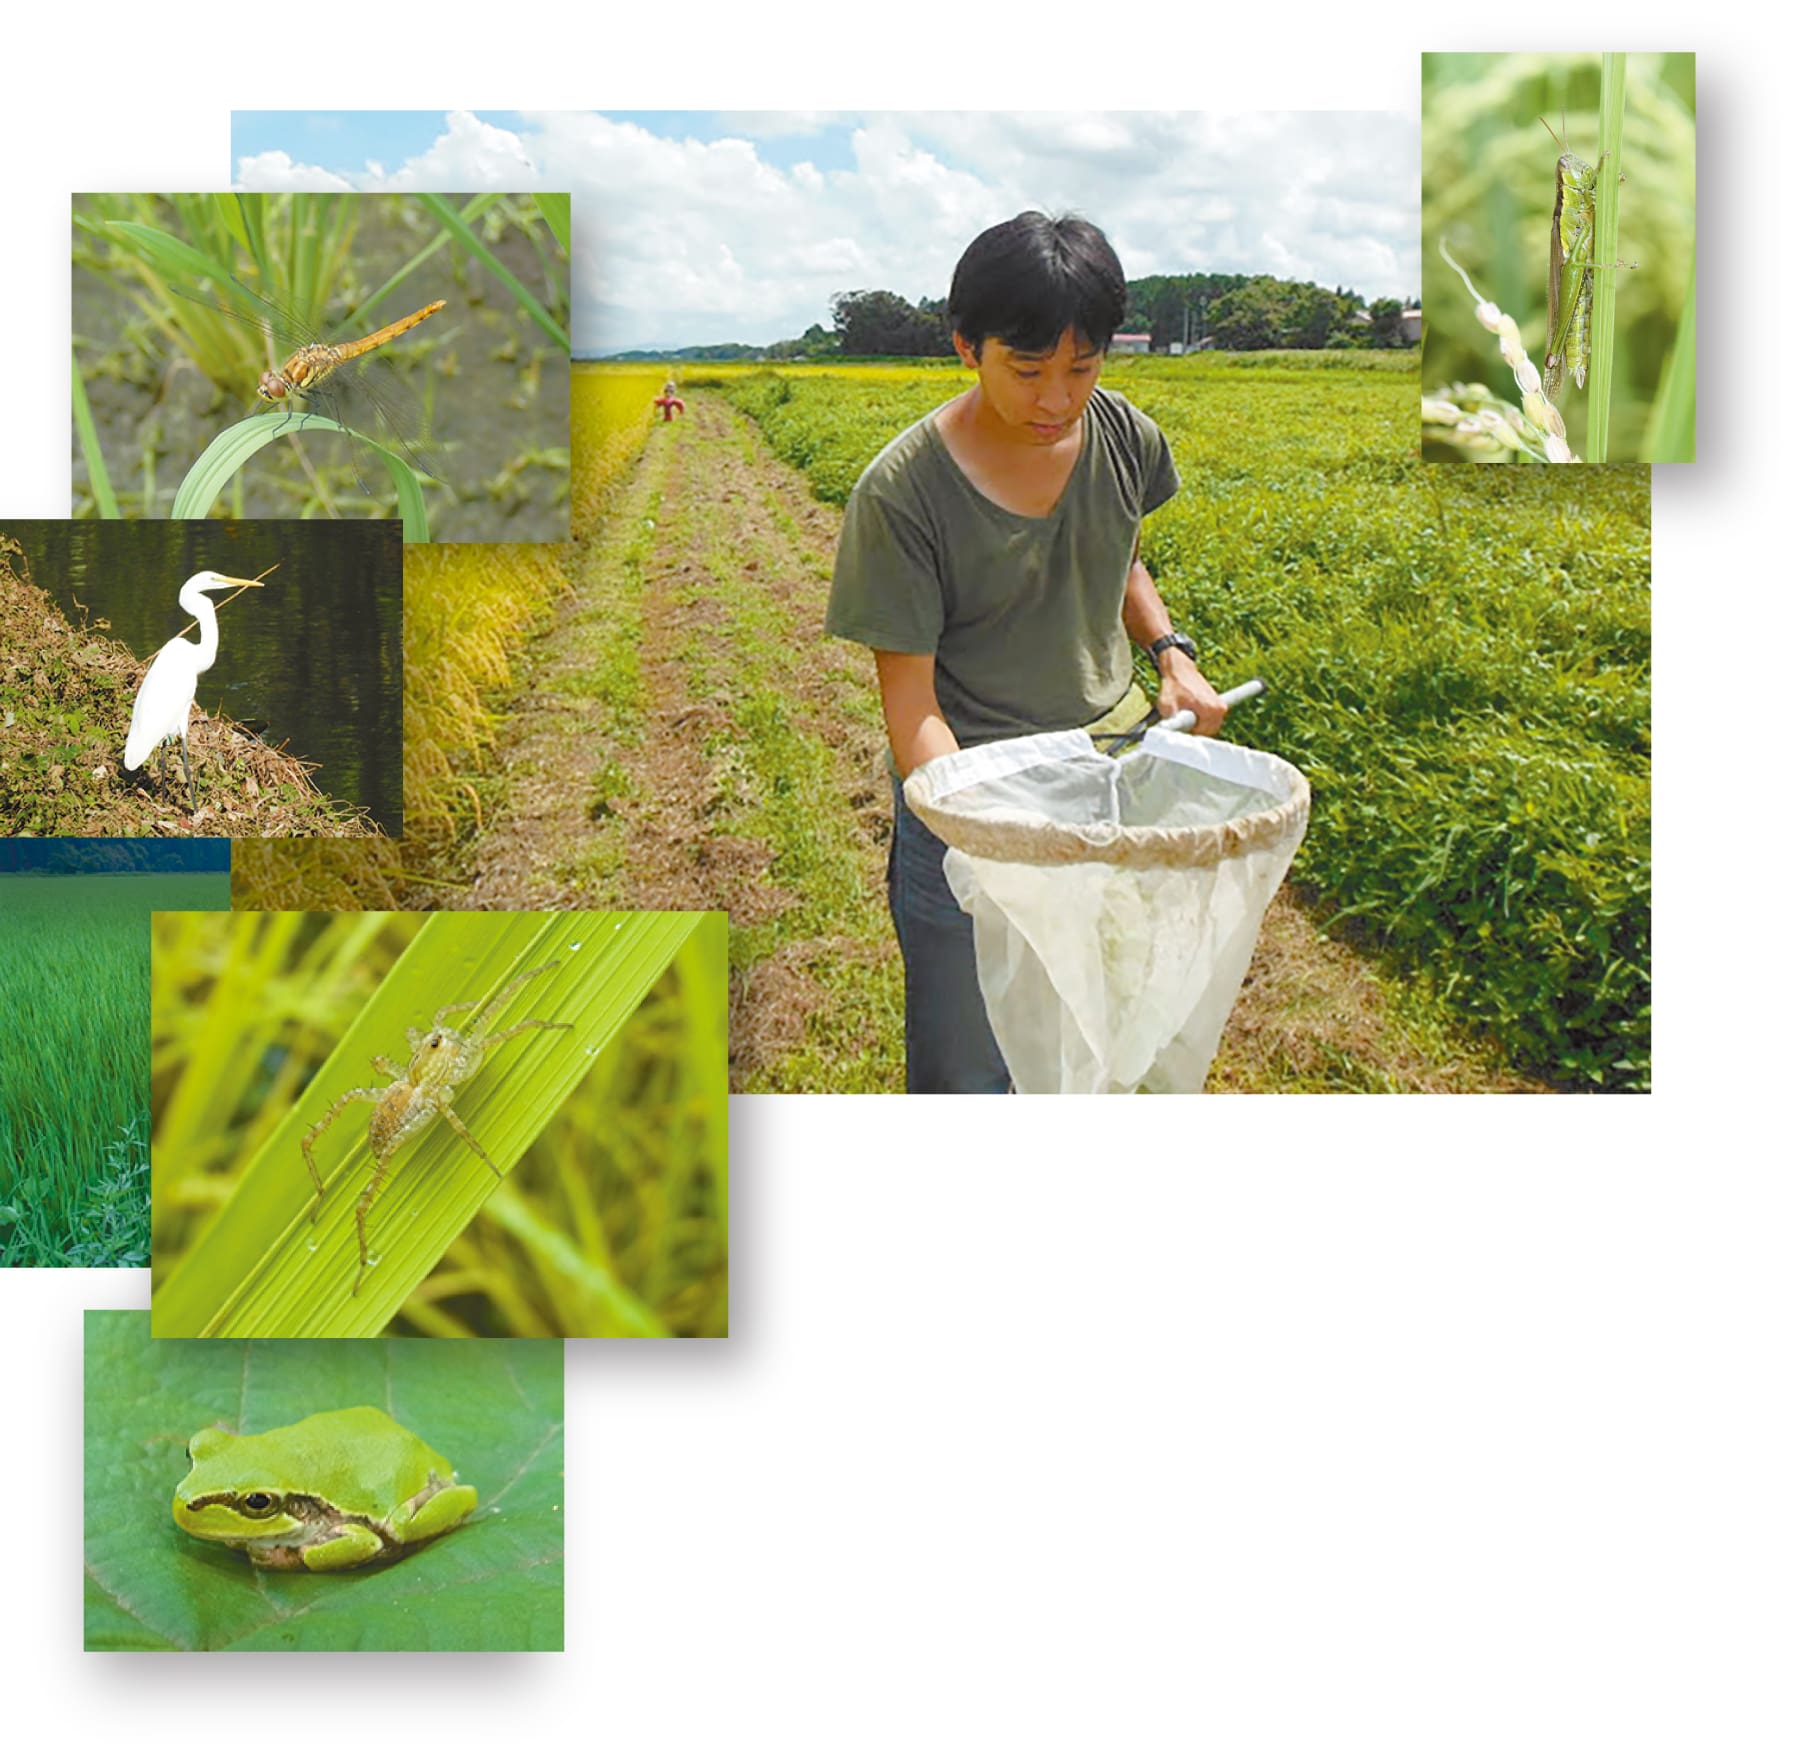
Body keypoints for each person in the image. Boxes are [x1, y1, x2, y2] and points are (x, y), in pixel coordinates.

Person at [826, 211, 1231, 1094]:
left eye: (1081, 368)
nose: (1056, 399)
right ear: (967, 348)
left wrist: (1170, 653)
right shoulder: (902, 494)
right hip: (973, 806)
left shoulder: (1124, 436)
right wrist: (994, 836)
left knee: (1091, 1037)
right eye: (1028, 369)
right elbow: (913, 707)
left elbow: (1119, 547)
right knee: (968, 1066)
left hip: (1110, 780)